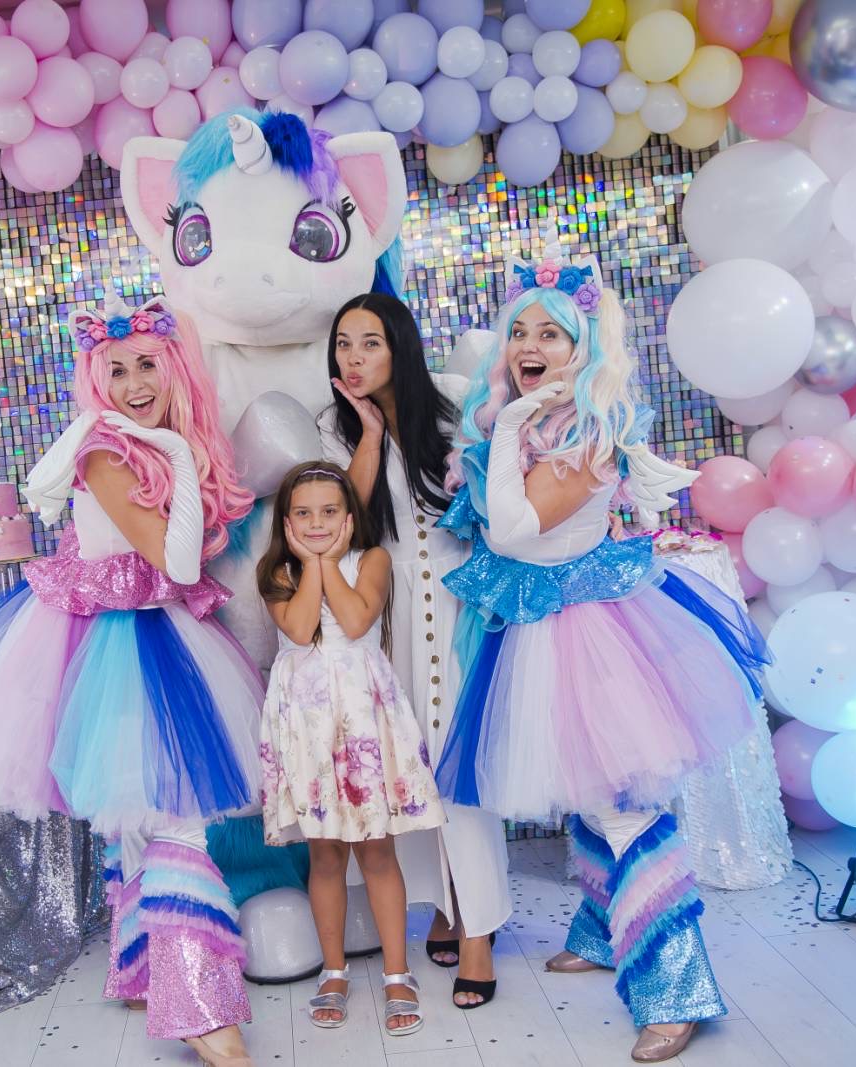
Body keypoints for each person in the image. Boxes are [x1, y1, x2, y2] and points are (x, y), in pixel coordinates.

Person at [434, 243, 768, 1063]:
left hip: (591, 631)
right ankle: (598, 929)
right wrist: (502, 428)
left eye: (553, 332)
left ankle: (676, 988)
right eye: (521, 332)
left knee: (622, 804)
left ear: (584, 348)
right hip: (540, 627)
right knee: (588, 793)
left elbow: (514, 532)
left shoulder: (587, 432)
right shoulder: (527, 423)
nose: (532, 347)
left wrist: (508, 424)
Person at [0, 289, 259, 1067]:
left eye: (148, 363)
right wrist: (178, 457)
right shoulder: (108, 452)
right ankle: (200, 1003)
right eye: (117, 370)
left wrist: (178, 453)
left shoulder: (144, 444)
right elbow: (178, 563)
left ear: (175, 368)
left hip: (156, 636)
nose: (135, 382)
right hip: (119, 647)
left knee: (139, 815)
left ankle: (147, 969)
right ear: (95, 378)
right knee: (171, 814)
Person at [317, 292, 511, 1009]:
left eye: (369, 342)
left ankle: (480, 934)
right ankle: (444, 904)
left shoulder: (454, 412)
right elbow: (340, 527)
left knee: (462, 775)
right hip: (388, 622)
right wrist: (368, 436)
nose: (354, 357)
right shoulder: (335, 430)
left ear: (399, 345)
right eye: (343, 344)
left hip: (460, 613)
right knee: (409, 774)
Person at [256, 461, 445, 1037]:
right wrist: (312, 564)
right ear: (286, 521)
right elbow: (300, 627)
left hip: (362, 714)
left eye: (330, 512)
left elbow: (358, 620)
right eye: (304, 514)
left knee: (378, 851)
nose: (317, 522)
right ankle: (333, 970)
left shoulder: (375, 561)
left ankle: (396, 972)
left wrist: (329, 561)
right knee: (326, 855)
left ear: (350, 516)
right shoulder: (277, 571)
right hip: (308, 720)